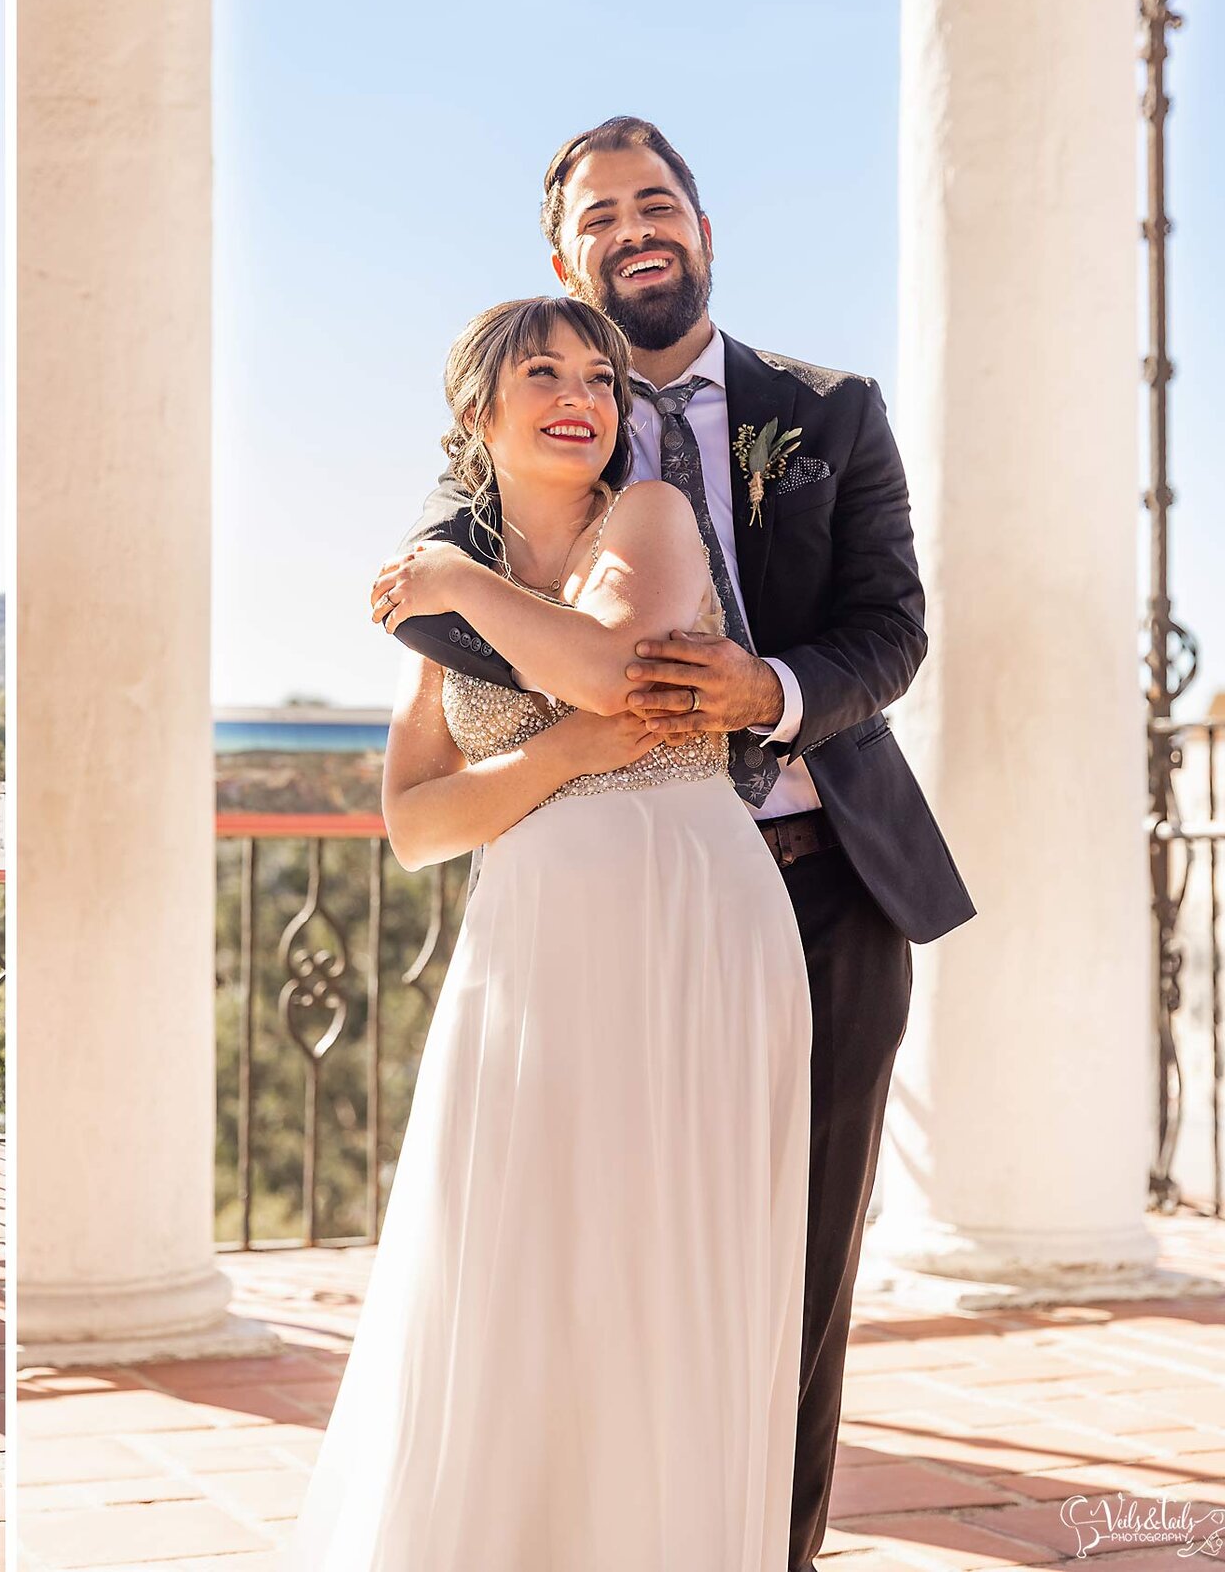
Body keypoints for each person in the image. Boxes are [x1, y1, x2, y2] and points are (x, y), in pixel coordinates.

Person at [372, 117, 973, 1570]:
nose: (637, 227)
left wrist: (770, 690)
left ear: (702, 227)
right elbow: (429, 763)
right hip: (586, 913)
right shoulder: (489, 495)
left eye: (660, 202)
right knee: (567, 1260)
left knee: (789, 1270)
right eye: (602, 213)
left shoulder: (828, 411)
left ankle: (773, 1552)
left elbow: (892, 629)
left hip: (818, 878)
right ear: (563, 257)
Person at [293, 294, 812, 1567]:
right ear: (480, 409)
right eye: (544, 372)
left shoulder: (647, 518)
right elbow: (415, 824)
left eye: (599, 374)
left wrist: (459, 587)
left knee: (658, 1262)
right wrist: (567, 755)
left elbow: (612, 662)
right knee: (517, 1257)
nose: (581, 392)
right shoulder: (441, 607)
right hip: (529, 949)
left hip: (685, 920)